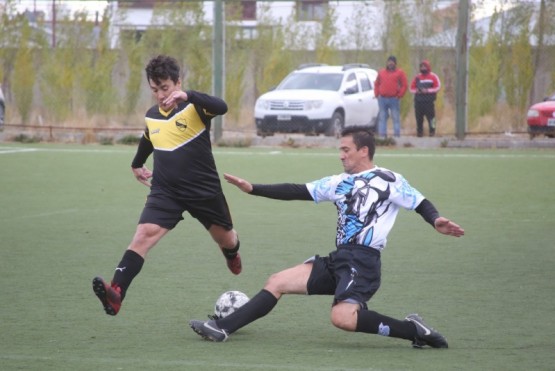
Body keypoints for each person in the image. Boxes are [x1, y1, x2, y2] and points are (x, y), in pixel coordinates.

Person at [189, 126, 464, 348]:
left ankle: (412, 329)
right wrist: (253, 189)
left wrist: (435, 219)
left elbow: (419, 201)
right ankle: (221, 328)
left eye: (346, 150)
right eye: (340, 150)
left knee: (341, 318)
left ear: (364, 150)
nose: (341, 155)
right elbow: (297, 190)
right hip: (340, 259)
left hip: (364, 261)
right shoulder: (337, 182)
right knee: (278, 281)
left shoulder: (388, 179)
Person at [92, 55, 242, 316]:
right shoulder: (151, 115)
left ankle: (231, 254)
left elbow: (223, 106)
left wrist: (189, 96)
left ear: (177, 83)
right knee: (143, 235)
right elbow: (149, 137)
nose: (160, 95)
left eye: (165, 88)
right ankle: (116, 293)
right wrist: (137, 163)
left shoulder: (195, 107)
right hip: (166, 191)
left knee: (226, 239)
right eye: (155, 89)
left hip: (203, 191)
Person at [374, 56, 408, 138]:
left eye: (392, 62)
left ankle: (396, 138)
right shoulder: (381, 72)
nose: (390, 63)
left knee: (395, 118)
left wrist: (400, 95)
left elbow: (404, 85)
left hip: (394, 99)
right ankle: (382, 138)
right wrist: (377, 94)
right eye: (389, 62)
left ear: (395, 63)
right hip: (382, 99)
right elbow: (376, 83)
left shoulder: (400, 73)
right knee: (382, 118)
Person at [410, 60, 441, 137]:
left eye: (424, 66)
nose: (423, 68)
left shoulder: (433, 76)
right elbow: (411, 88)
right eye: (421, 67)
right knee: (419, 118)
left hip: (429, 101)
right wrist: (417, 91)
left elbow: (438, 87)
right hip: (419, 101)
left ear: (428, 67)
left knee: (431, 118)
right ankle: (420, 132)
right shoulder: (417, 77)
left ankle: (432, 131)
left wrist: (427, 91)